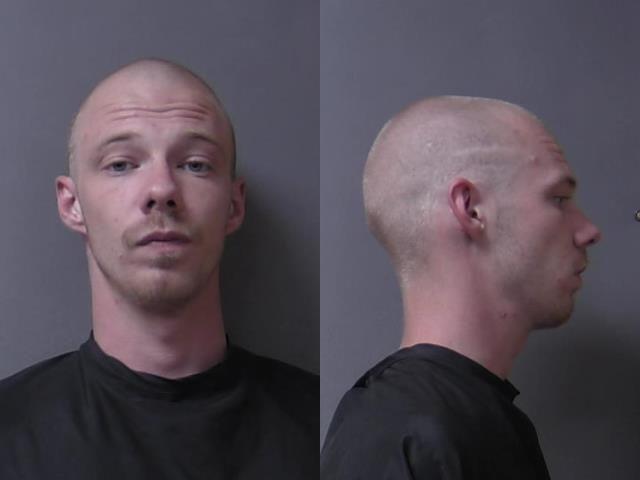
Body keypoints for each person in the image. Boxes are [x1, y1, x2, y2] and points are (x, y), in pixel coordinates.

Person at [0, 58, 318, 479]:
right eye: (121, 164)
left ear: (233, 205)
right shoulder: (8, 435)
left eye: (195, 164)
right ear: (72, 204)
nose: (162, 189)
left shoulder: (324, 430)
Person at [320, 96, 601, 479]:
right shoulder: (400, 433)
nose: (588, 231)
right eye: (558, 199)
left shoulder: (478, 420)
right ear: (471, 209)